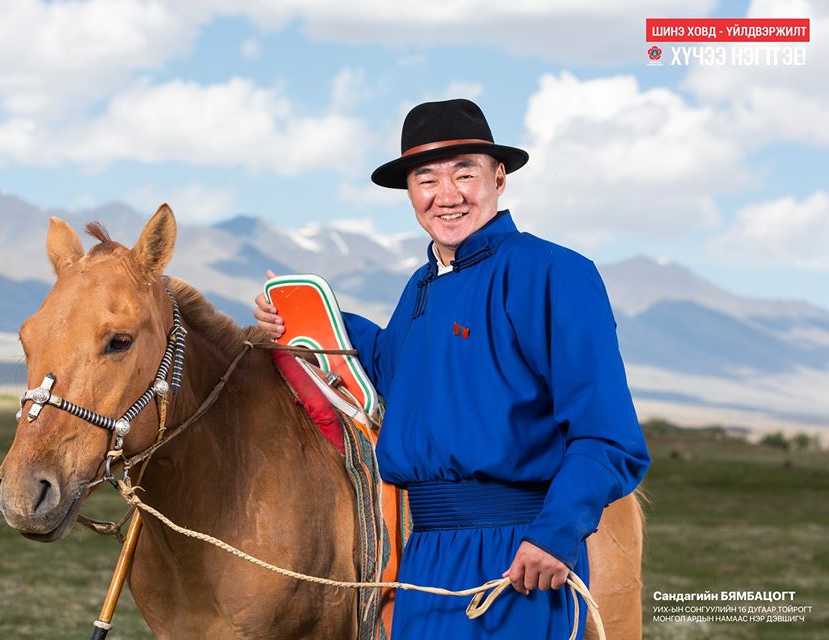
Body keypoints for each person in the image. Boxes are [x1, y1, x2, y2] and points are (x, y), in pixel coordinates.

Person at [254, 98, 650, 639]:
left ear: (499, 178)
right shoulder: (420, 288)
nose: (447, 195)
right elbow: (395, 366)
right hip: (426, 561)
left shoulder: (555, 273)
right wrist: (307, 311)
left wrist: (556, 534)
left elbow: (609, 436)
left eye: (465, 173)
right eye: (427, 179)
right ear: (410, 193)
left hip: (519, 557)